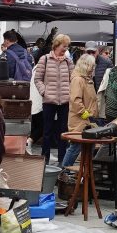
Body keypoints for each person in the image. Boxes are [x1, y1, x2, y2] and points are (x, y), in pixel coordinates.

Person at [33, 33, 75, 164]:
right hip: (49, 101)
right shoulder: (44, 59)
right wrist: (44, 92)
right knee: (47, 131)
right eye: (64, 46)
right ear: (57, 45)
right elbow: (37, 79)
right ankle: (44, 159)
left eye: (67, 47)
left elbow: (72, 79)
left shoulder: (68, 61)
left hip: (64, 101)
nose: (65, 49)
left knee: (63, 132)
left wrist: (69, 93)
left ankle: (62, 160)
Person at [62, 53, 98, 167]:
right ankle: (64, 171)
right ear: (86, 65)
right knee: (75, 147)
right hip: (80, 120)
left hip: (88, 120)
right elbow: (76, 100)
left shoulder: (87, 79)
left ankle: (84, 173)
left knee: (89, 147)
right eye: (92, 65)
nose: (93, 68)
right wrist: (84, 113)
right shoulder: (78, 80)